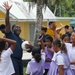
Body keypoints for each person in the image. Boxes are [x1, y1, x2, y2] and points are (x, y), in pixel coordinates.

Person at [3, 2, 24, 75]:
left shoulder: (21, 39)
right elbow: (7, 23)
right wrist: (7, 11)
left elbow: (28, 50)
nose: (18, 28)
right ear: (12, 29)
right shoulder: (10, 35)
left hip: (20, 60)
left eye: (19, 27)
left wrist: (29, 47)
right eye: (16, 27)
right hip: (12, 59)